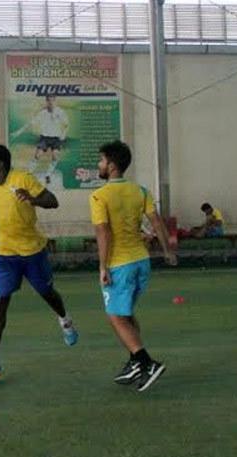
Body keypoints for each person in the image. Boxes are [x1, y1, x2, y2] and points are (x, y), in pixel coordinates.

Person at [0, 144, 80, 385]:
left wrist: (32, 198)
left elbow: (53, 201)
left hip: (32, 253)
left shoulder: (22, 178)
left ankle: (65, 320)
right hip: (5, 254)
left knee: (47, 293)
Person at [89, 141, 176, 392]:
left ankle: (146, 362)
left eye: (102, 160)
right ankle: (134, 363)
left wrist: (103, 267)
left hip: (120, 265)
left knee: (115, 316)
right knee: (125, 314)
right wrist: (167, 251)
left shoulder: (99, 196)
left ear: (112, 165)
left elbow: (103, 232)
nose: (99, 165)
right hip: (141, 261)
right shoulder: (141, 191)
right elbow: (157, 222)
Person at [13, 94, 70, 186]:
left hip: (56, 139)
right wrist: (19, 131)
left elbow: (67, 124)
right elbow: (30, 124)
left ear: (55, 101)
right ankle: (28, 174)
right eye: (49, 100)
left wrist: (64, 134)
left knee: (55, 157)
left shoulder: (60, 112)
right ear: (46, 101)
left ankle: (47, 175)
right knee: (37, 155)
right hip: (45, 138)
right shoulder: (42, 113)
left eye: (53, 100)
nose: (51, 102)